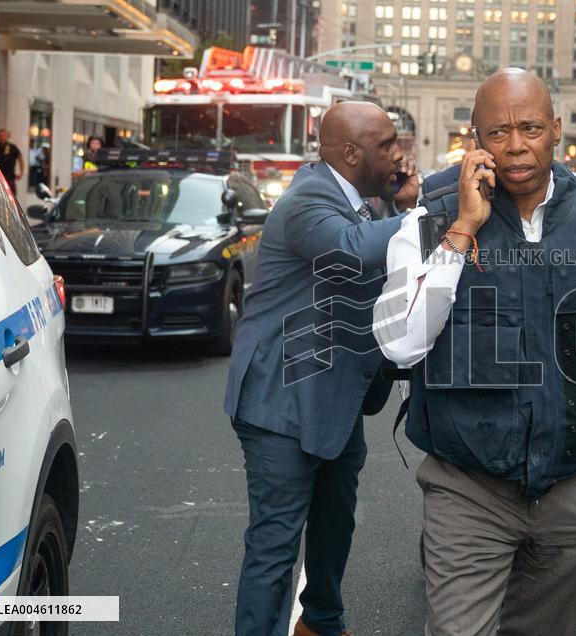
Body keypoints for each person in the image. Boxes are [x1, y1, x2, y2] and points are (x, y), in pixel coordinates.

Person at [373, 69, 576, 635]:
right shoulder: (430, 219)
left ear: (556, 129)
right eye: (498, 131)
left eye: (530, 127)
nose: (515, 146)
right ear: (474, 140)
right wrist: (462, 230)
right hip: (469, 490)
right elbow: (400, 343)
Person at [224, 101, 417, 636]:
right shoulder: (309, 196)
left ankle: (321, 622)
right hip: (280, 402)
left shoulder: (365, 202)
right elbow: (352, 254)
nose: (399, 155)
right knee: (275, 544)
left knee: (335, 522)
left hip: (336, 395)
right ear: (351, 153)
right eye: (387, 145)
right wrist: (426, 214)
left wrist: (402, 209)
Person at [0, 129, 24, 195]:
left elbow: (20, 159)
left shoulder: (12, 147)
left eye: (3, 135)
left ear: (7, 136)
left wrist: (21, 173)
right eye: (0, 135)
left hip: (9, 176)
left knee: (11, 195)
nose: (1, 137)